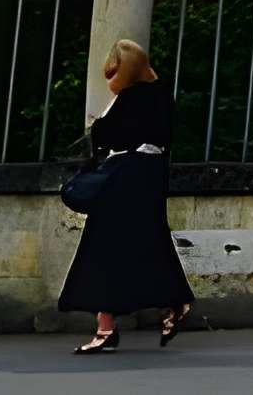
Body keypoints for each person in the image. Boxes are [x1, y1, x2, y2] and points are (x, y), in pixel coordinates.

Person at [59, 39, 194, 354]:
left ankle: (106, 329)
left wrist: (101, 129)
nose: (110, 80)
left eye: (114, 72)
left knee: (102, 249)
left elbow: (108, 136)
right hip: (148, 179)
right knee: (148, 243)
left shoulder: (130, 99)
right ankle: (173, 302)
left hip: (124, 179)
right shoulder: (162, 96)